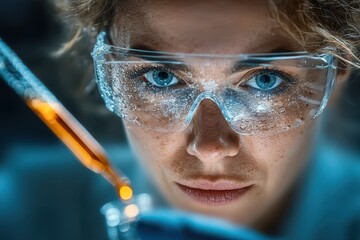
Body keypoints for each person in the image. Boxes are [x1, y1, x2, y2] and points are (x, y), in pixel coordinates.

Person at [60, 0, 360, 239]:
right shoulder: (26, 213)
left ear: (338, 74)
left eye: (265, 81)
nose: (210, 148)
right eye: (161, 78)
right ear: (111, 71)